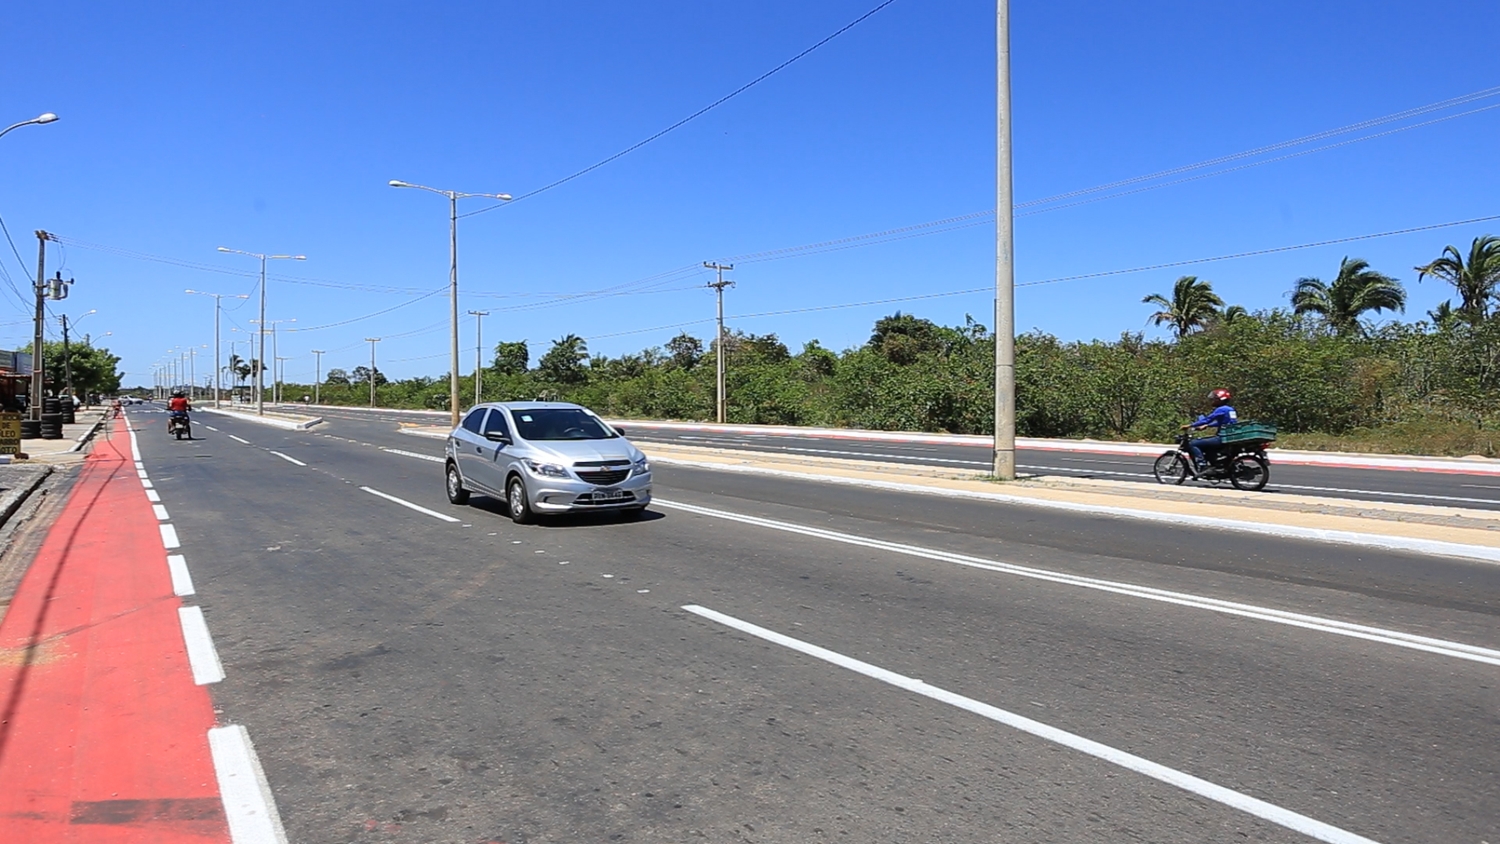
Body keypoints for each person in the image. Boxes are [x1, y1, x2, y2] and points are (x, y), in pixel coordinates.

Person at [1184, 388, 1237, 474]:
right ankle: (1214, 465)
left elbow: (1207, 419)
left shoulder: (1221, 409)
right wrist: (1208, 426)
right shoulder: (1230, 409)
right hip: (1229, 436)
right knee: (1208, 447)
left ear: (1220, 399)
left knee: (1193, 443)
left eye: (1214, 399)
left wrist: (1190, 425)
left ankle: (1202, 465)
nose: (1212, 401)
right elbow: (1224, 423)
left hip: (1221, 438)